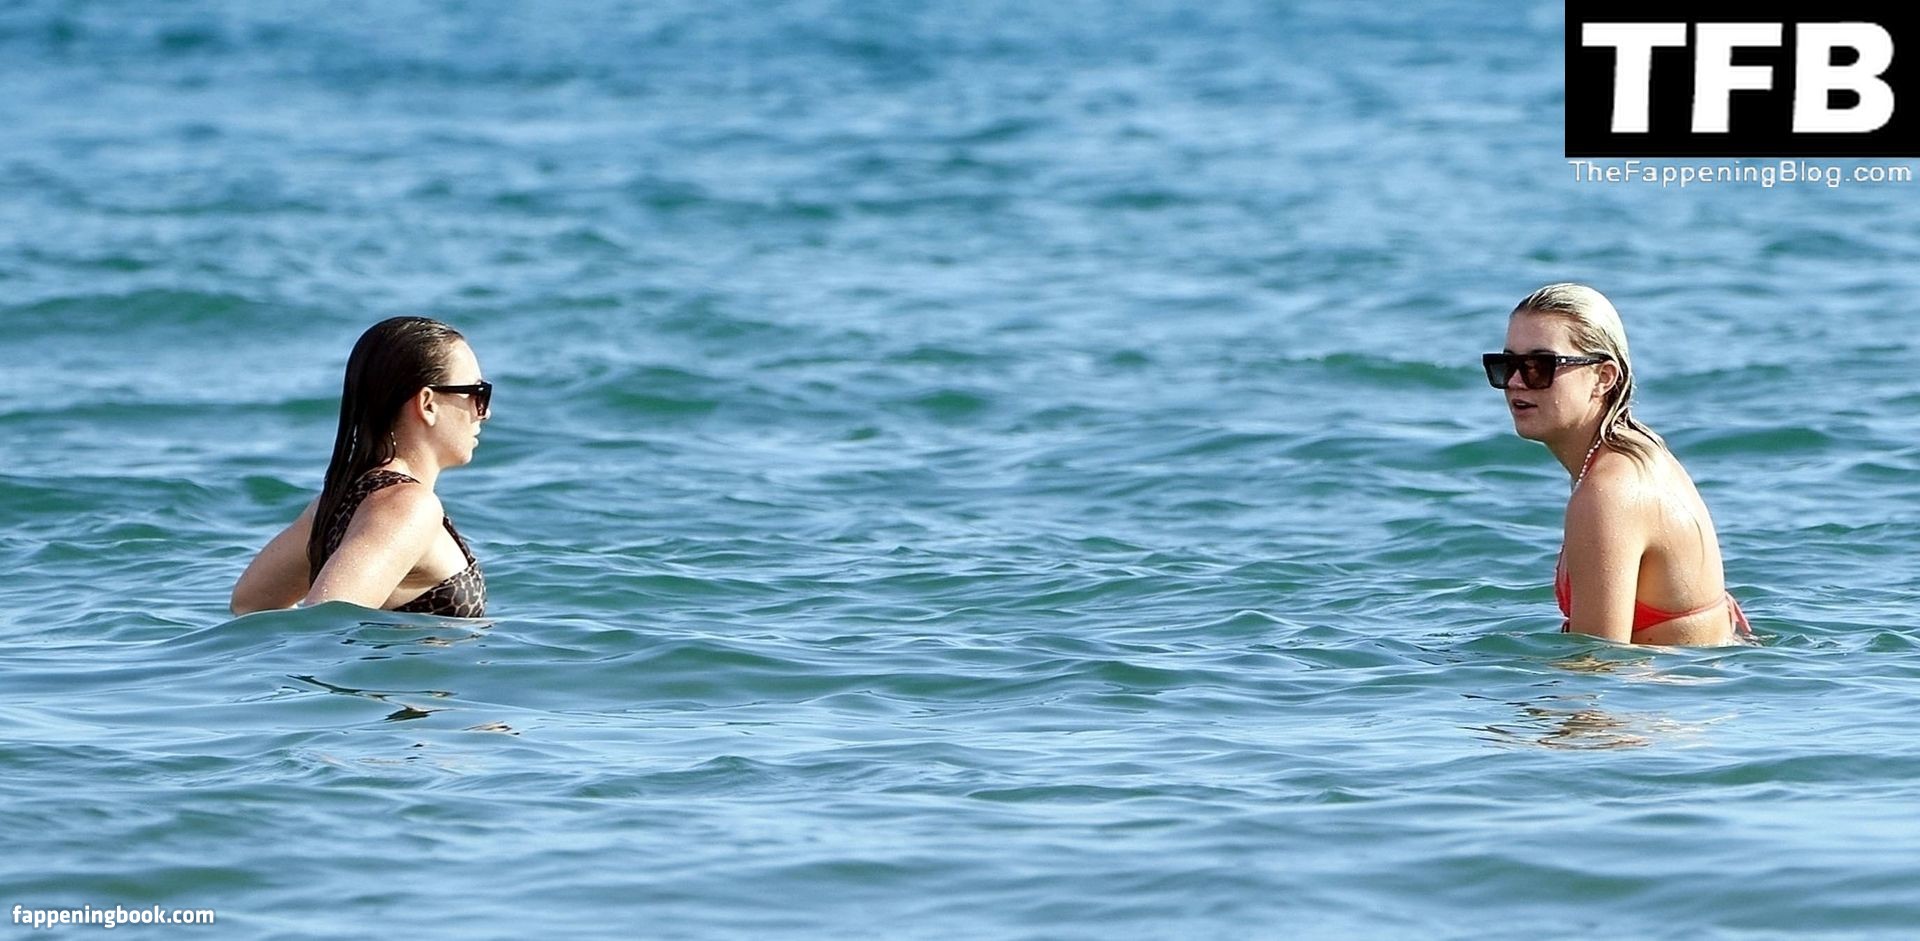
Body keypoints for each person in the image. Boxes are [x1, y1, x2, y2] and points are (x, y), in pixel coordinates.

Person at [1484, 283, 1751, 645]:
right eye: (1506, 365)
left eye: (1539, 366)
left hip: (1670, 682)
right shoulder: (1638, 452)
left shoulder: (1609, 492)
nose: (1516, 382)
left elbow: (1598, 662)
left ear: (1603, 377)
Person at [232, 317, 490, 618]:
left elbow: (250, 603)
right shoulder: (409, 507)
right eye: (477, 394)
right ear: (427, 404)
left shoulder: (337, 503)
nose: (484, 413)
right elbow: (326, 619)